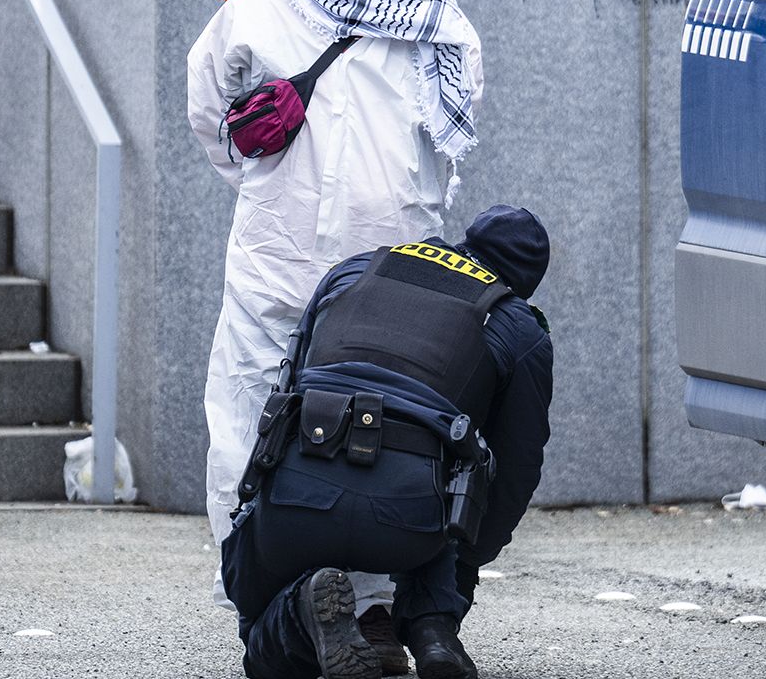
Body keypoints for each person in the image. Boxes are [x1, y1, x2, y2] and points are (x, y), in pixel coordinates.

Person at [186, 0, 485, 676]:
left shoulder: (425, 2)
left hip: (387, 277)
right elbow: (211, 114)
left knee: (382, 442)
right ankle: (268, 601)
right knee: (248, 430)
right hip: (276, 262)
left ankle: (370, 611)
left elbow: (454, 112)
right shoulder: (255, 4)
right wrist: (270, 191)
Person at [221, 206, 554, 679]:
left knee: (257, 628)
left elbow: (288, 386)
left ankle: (299, 615)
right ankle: (434, 632)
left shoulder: (358, 267)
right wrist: (468, 559)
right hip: (410, 515)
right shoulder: (516, 323)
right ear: (522, 282)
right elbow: (517, 466)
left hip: (299, 489)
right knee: (458, 473)